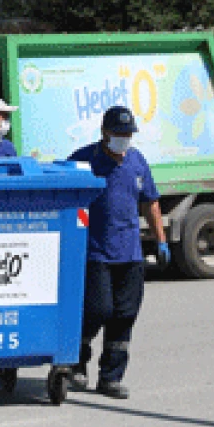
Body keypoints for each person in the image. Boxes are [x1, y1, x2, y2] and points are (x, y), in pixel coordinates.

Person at [67, 105, 169, 399]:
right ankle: (76, 364)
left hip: (131, 253)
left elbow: (150, 202)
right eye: (119, 133)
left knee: (125, 315)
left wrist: (160, 240)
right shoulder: (85, 160)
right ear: (104, 133)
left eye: (128, 133)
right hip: (96, 252)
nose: (124, 138)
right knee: (98, 310)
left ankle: (111, 377)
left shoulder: (137, 162)